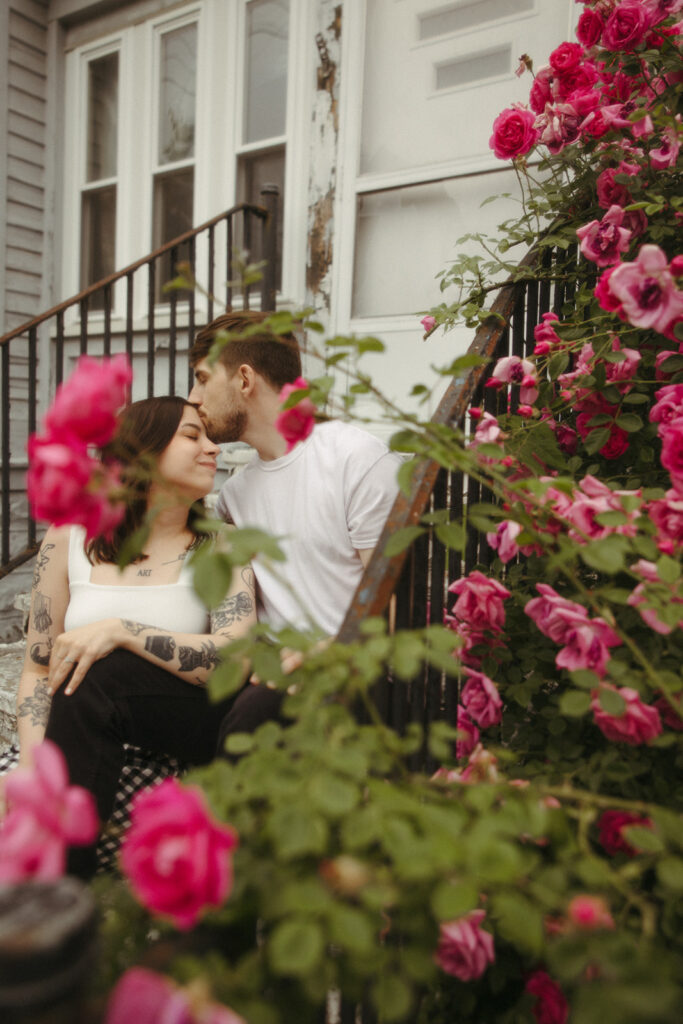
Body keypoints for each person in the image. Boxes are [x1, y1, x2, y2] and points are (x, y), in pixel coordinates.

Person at [5, 396, 257, 876]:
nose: (214, 449)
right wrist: (38, 766)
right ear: (143, 451)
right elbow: (39, 667)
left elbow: (234, 660)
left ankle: (63, 896)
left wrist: (123, 631)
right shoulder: (68, 538)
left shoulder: (222, 545)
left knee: (103, 668)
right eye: (192, 435)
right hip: (75, 734)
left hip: (179, 728)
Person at [188, 310, 401, 742]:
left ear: (244, 380)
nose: (193, 397)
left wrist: (332, 651)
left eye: (201, 378)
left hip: (352, 675)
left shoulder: (354, 459)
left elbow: (396, 605)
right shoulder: (234, 495)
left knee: (255, 716)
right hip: (267, 673)